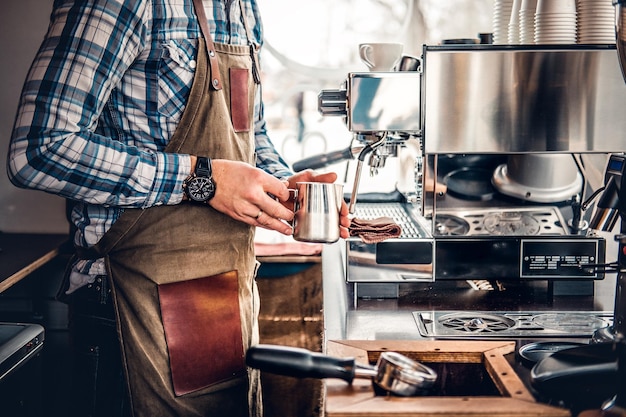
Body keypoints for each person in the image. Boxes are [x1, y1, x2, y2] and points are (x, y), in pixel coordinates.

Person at [7, 0, 350, 416]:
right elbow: (40, 150)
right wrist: (202, 179)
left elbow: (251, 135)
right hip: (132, 310)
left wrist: (286, 188)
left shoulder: (242, 8)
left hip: (225, 306)